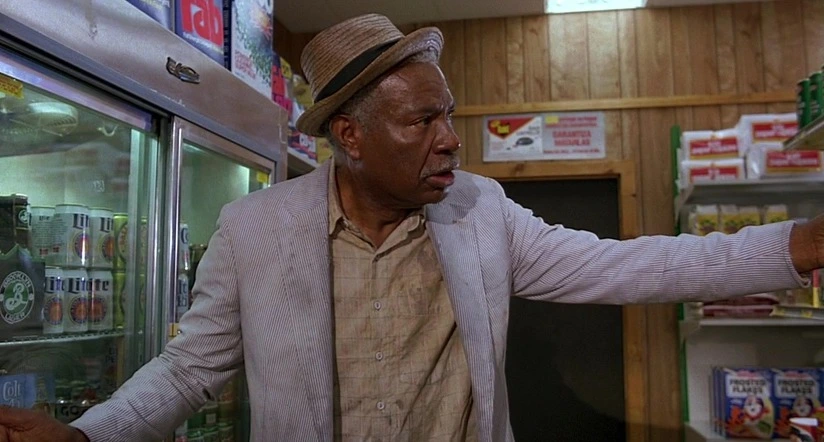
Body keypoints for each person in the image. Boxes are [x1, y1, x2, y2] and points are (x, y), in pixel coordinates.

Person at [1, 13, 823, 442]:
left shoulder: (481, 211)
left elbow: (633, 265)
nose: (450, 139)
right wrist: (87, 436)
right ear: (350, 137)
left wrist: (797, 246)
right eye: (422, 121)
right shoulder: (255, 230)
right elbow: (188, 373)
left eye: (449, 115)